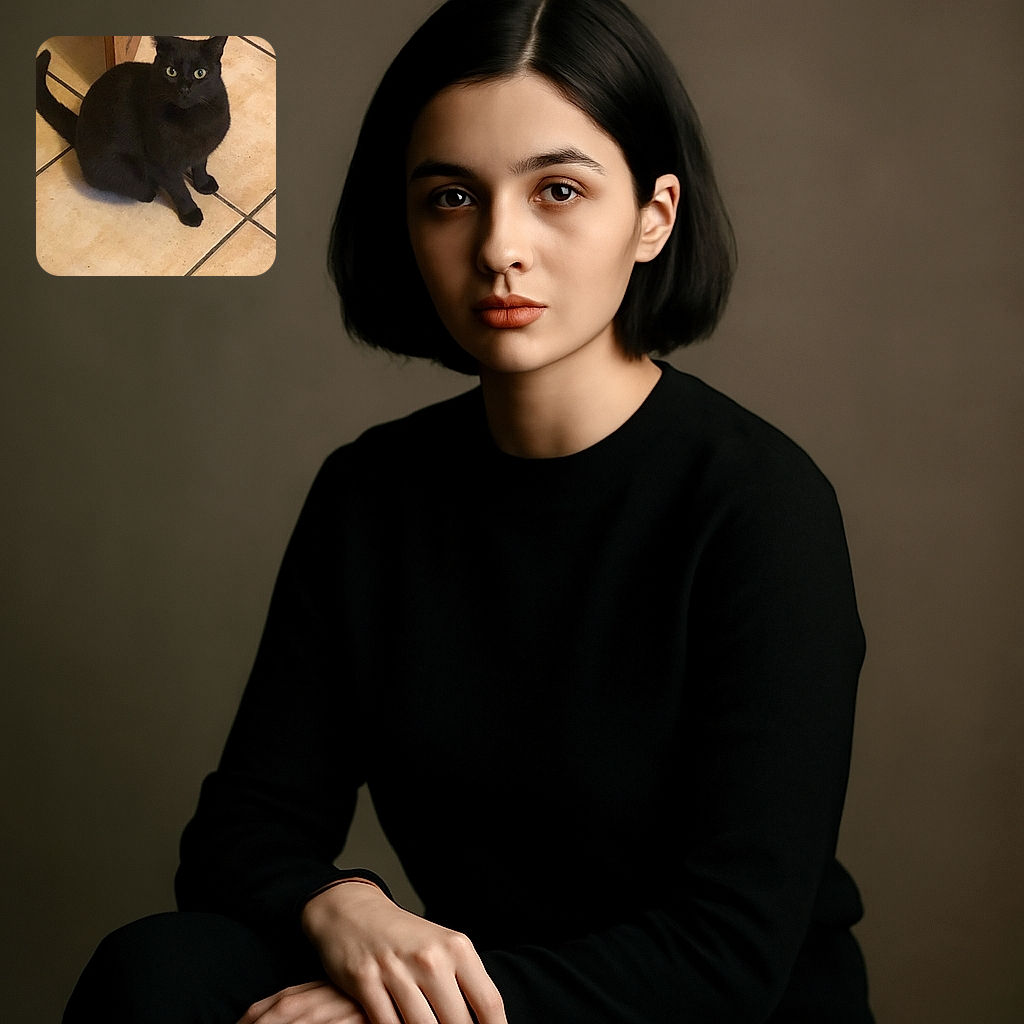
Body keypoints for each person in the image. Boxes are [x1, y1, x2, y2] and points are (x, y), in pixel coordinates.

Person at [63, 1, 873, 1021]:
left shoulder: (758, 506)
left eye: (559, 191)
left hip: (688, 1010)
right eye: (451, 196)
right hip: (476, 993)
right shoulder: (372, 495)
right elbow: (243, 830)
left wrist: (393, 1019)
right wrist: (339, 903)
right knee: (162, 974)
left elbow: (727, 955)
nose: (499, 247)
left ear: (654, 216)